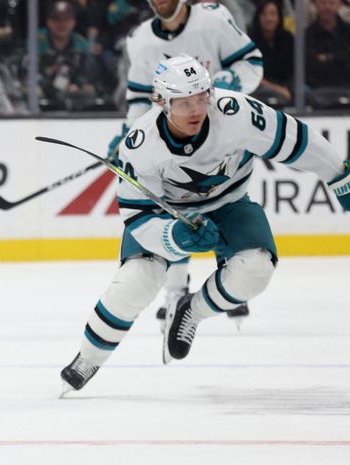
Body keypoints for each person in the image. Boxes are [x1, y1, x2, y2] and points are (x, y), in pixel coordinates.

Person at [60, 55, 350, 395]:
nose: (196, 110)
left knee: (256, 271)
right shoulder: (141, 145)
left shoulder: (237, 113)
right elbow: (139, 217)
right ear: (161, 101)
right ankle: (87, 359)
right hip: (168, 215)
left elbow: (294, 139)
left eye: (202, 97)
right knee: (137, 280)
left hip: (229, 205)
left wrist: (342, 175)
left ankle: (192, 311)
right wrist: (174, 237)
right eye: (183, 102)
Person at [113, 0, 264, 329]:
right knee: (172, 211)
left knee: (227, 204)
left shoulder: (214, 20)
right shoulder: (140, 39)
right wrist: (129, 139)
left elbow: (252, 64)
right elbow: (140, 100)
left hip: (219, 137)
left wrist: (233, 82)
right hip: (173, 142)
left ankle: (233, 277)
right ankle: (176, 290)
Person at [247, 0, 294, 106]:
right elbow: (250, 74)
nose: (269, 18)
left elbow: (294, 70)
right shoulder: (250, 41)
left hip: (286, 85)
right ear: (258, 17)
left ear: (279, 17)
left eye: (273, 14)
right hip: (259, 87)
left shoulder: (287, 38)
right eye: (264, 14)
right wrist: (278, 89)